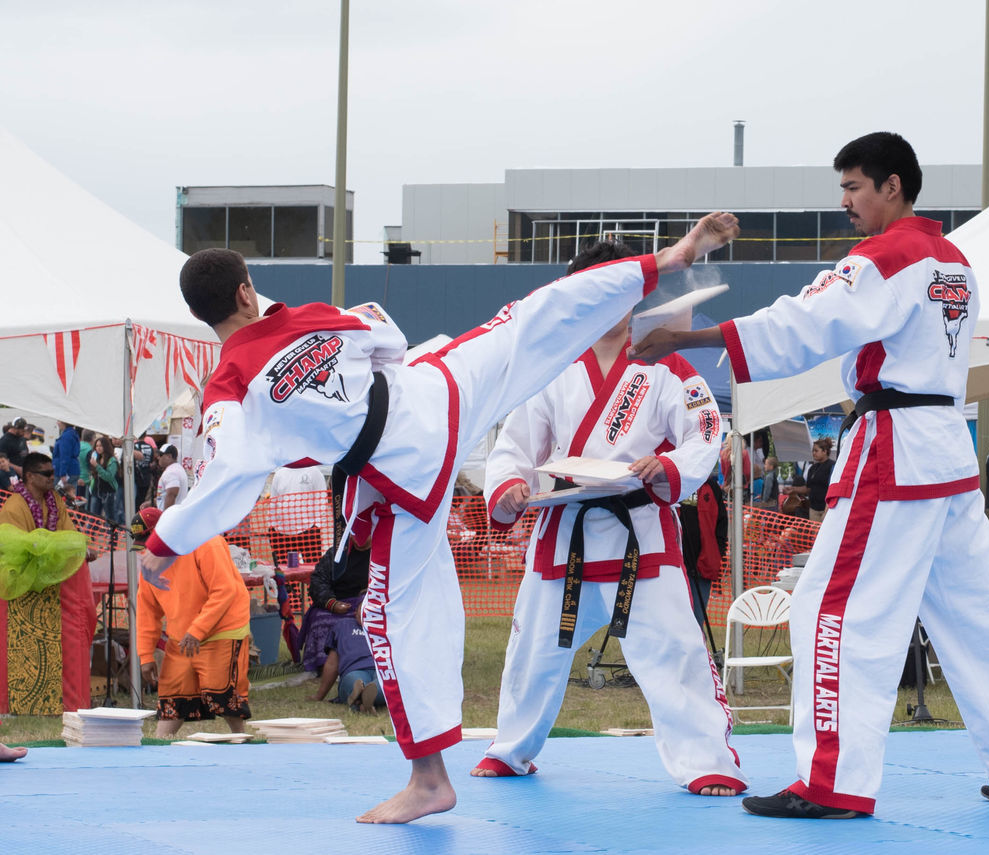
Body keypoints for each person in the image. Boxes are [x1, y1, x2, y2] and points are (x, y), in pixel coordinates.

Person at [138, 213, 741, 823]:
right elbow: (387, 338)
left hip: (401, 472)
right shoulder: (318, 315)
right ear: (247, 291)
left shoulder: (228, 385)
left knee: (395, 616)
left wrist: (166, 540)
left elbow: (226, 475)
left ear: (202, 315)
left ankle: (429, 780)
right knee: (527, 319)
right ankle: (668, 258)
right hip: (435, 394)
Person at [631, 132, 989, 819]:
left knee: (830, 607)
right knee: (980, 614)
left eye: (854, 188)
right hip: (946, 450)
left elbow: (803, 324)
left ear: (893, 186)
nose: (846, 203)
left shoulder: (885, 257)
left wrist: (688, 338)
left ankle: (832, 780)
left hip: (895, 446)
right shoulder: (955, 262)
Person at [472, 239, 746, 797]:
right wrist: (509, 486)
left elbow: (706, 431)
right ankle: (512, 747)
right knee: (532, 652)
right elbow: (514, 445)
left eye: (622, 286)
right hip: (562, 533)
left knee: (675, 651)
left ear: (637, 291)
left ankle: (705, 760)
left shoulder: (666, 365)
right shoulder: (548, 369)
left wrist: (667, 463)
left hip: (639, 534)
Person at [134, 507, 252, 737]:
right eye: (142, 545)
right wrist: (145, 656)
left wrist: (198, 629)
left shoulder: (206, 542)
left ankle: (241, 740)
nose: (147, 550)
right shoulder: (148, 563)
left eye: (150, 542)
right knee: (173, 693)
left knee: (221, 692)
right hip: (182, 635)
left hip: (223, 627)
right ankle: (160, 745)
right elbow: (147, 610)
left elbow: (225, 591)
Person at [0, 452, 95, 714]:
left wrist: (80, 549)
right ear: (29, 476)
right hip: (22, 592)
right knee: (24, 649)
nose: (53, 478)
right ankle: (19, 704)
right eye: (47, 474)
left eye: (53, 473)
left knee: (55, 648)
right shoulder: (14, 506)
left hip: (52, 590)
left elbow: (66, 534)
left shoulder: (55, 501)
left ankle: (57, 703)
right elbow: (16, 547)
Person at [299, 543, 371, 673]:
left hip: (367, 604)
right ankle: (323, 665)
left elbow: (386, 583)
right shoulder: (336, 553)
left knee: (368, 620)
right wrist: (331, 603)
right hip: (336, 603)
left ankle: (363, 662)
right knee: (318, 618)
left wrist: (366, 602)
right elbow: (318, 581)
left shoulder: (380, 555)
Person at [681, 471, 729, 629]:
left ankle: (698, 652)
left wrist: (717, 552)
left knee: (696, 620)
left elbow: (722, 523)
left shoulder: (711, 486)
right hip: (677, 564)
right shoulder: (673, 483)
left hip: (703, 564)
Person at [310, 614, 384, 712]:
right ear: (356, 611)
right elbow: (332, 664)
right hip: (354, 670)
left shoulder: (390, 626)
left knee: (381, 685)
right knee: (355, 683)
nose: (366, 612)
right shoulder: (343, 625)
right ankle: (363, 699)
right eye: (363, 608)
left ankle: (360, 701)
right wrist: (319, 695)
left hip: (383, 670)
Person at [267, 464, 327, 564]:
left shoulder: (314, 472)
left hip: (308, 532)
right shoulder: (280, 473)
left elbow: (321, 499)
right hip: (283, 534)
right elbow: (273, 501)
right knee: (289, 570)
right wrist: (272, 526)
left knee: (312, 570)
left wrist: (317, 525)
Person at [781, 438, 835, 523]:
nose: (813, 453)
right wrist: (793, 489)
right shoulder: (812, 468)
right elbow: (808, 488)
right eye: (813, 451)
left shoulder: (833, 466)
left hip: (827, 509)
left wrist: (827, 509)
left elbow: (833, 489)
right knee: (814, 534)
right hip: (813, 508)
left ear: (824, 451)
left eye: (816, 451)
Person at [86, 436, 122, 524]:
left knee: (110, 517)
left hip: (108, 493)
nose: (98, 448)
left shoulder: (112, 460)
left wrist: (97, 466)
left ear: (105, 446)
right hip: (96, 491)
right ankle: (90, 536)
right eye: (97, 446)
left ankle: (112, 536)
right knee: (93, 517)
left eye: (101, 446)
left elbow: (109, 477)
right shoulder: (96, 458)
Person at [155, 444, 188, 511]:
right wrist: (151, 503)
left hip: (171, 516)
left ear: (169, 456)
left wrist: (166, 517)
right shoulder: (177, 469)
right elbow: (164, 496)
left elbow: (171, 494)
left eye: (161, 455)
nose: (158, 457)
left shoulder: (171, 472)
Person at [51, 422, 80, 494]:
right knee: (71, 496)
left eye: (59, 421)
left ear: (64, 423)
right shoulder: (73, 434)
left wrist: (63, 474)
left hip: (65, 472)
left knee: (58, 497)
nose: (57, 423)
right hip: (73, 469)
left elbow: (65, 456)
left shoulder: (66, 436)